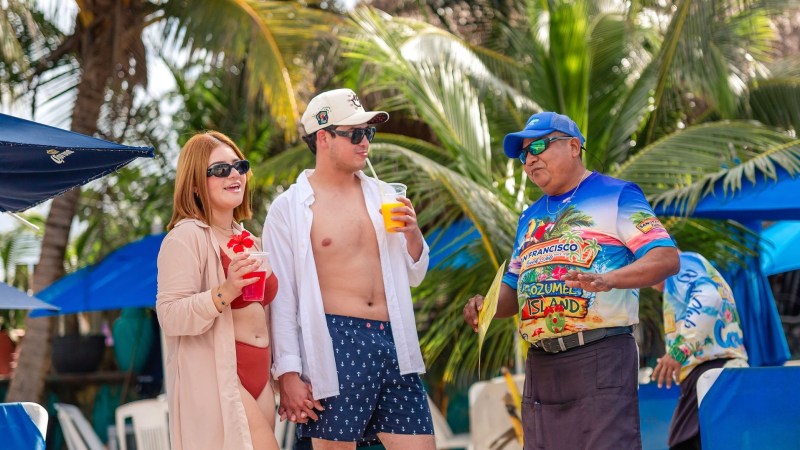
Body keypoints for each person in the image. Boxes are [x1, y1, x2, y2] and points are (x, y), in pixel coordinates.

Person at [462, 112, 680, 450]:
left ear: (574, 146)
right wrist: (484, 305)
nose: (530, 158)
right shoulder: (529, 216)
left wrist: (609, 280)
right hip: (541, 365)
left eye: (538, 146)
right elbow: (513, 289)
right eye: (523, 154)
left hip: (600, 355)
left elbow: (665, 257)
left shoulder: (616, 195)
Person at [263, 88, 436, 450]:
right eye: (355, 133)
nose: (365, 143)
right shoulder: (289, 208)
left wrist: (413, 235)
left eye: (369, 133)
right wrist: (288, 374)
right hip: (336, 340)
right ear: (323, 137)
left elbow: (414, 274)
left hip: (394, 339)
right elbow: (281, 299)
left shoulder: (384, 195)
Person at [156, 131, 280, 450]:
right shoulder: (185, 238)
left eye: (239, 165)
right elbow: (169, 316)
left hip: (262, 379)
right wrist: (224, 292)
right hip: (223, 377)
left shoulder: (250, 240)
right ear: (196, 184)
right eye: (220, 169)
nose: (234, 173)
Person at [651, 251, 748, 450]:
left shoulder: (678, 264)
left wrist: (679, 351)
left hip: (711, 373)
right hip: (720, 372)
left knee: (686, 444)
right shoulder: (688, 266)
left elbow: (708, 297)